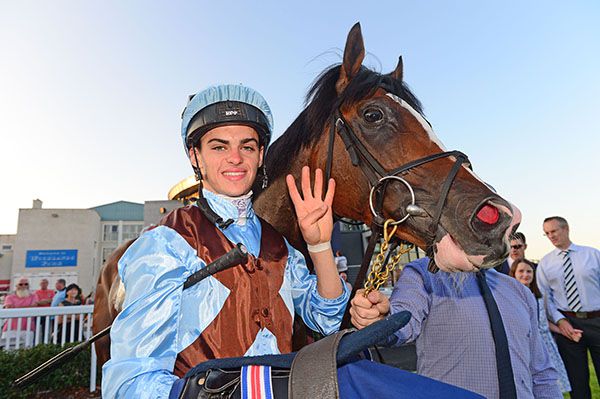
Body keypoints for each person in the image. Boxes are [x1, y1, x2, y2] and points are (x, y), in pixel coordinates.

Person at [102, 84, 349, 398]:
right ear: (196, 156)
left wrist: (319, 245)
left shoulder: (279, 244)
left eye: (247, 147)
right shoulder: (165, 243)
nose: (235, 158)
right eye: (219, 147)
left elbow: (326, 317)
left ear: (261, 156)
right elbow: (131, 383)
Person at [350, 257, 562, 398]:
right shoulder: (424, 273)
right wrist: (382, 319)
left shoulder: (518, 291)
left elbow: (541, 370)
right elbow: (402, 323)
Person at [537, 216, 600, 399]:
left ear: (566, 229)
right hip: (567, 325)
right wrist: (560, 320)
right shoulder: (545, 264)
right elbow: (546, 299)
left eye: (554, 231)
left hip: (597, 320)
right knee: (577, 382)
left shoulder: (593, 255)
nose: (551, 236)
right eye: (546, 233)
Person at [510, 258, 571, 393]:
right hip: (524, 345)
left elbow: (543, 323)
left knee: (548, 385)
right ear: (513, 274)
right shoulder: (510, 297)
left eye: (529, 271)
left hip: (545, 344)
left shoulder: (538, 297)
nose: (525, 275)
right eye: (521, 271)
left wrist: (564, 331)